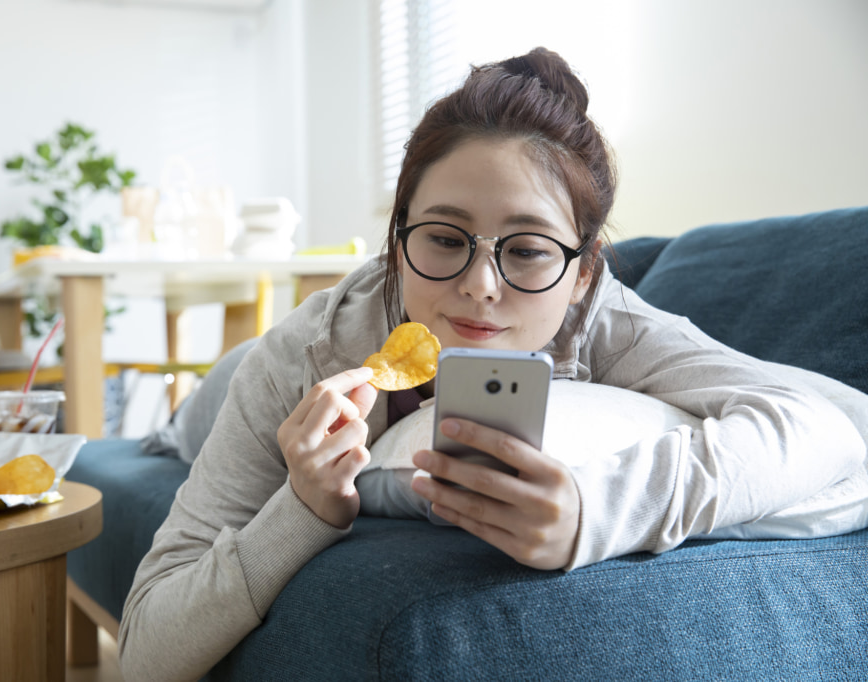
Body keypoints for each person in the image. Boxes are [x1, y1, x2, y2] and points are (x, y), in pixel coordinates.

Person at [118, 48, 864, 681]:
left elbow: (822, 428)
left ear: (583, 273)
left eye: (528, 250)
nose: (480, 286)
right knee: (194, 411)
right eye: (445, 239)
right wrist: (302, 509)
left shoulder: (610, 324)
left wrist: (597, 511)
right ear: (396, 242)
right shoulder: (305, 354)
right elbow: (145, 652)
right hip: (226, 386)